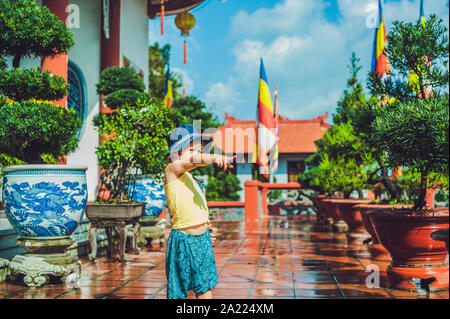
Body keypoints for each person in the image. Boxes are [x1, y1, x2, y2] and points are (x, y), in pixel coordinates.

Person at [162, 124, 235, 299]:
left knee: (205, 286)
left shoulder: (192, 179)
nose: (198, 154)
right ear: (176, 153)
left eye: (200, 150)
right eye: (193, 150)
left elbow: (195, 211)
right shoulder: (171, 171)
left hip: (202, 240)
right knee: (178, 290)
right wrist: (215, 156)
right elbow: (192, 162)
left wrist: (204, 233)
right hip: (183, 240)